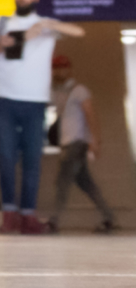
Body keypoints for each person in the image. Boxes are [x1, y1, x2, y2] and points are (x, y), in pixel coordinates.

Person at [0, 0, 83, 234]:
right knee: (6, 156)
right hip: (3, 98)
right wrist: (1, 44)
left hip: (35, 101)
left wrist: (46, 24)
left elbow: (79, 32)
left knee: (33, 159)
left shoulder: (44, 25)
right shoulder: (0, 23)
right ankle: (9, 212)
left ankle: (28, 215)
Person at [50, 54, 117, 233]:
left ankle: (53, 221)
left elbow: (90, 115)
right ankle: (108, 217)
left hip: (77, 143)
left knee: (62, 181)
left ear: (69, 69)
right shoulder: (56, 92)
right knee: (86, 184)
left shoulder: (79, 90)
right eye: (56, 68)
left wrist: (96, 141)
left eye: (63, 67)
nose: (59, 71)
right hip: (68, 143)